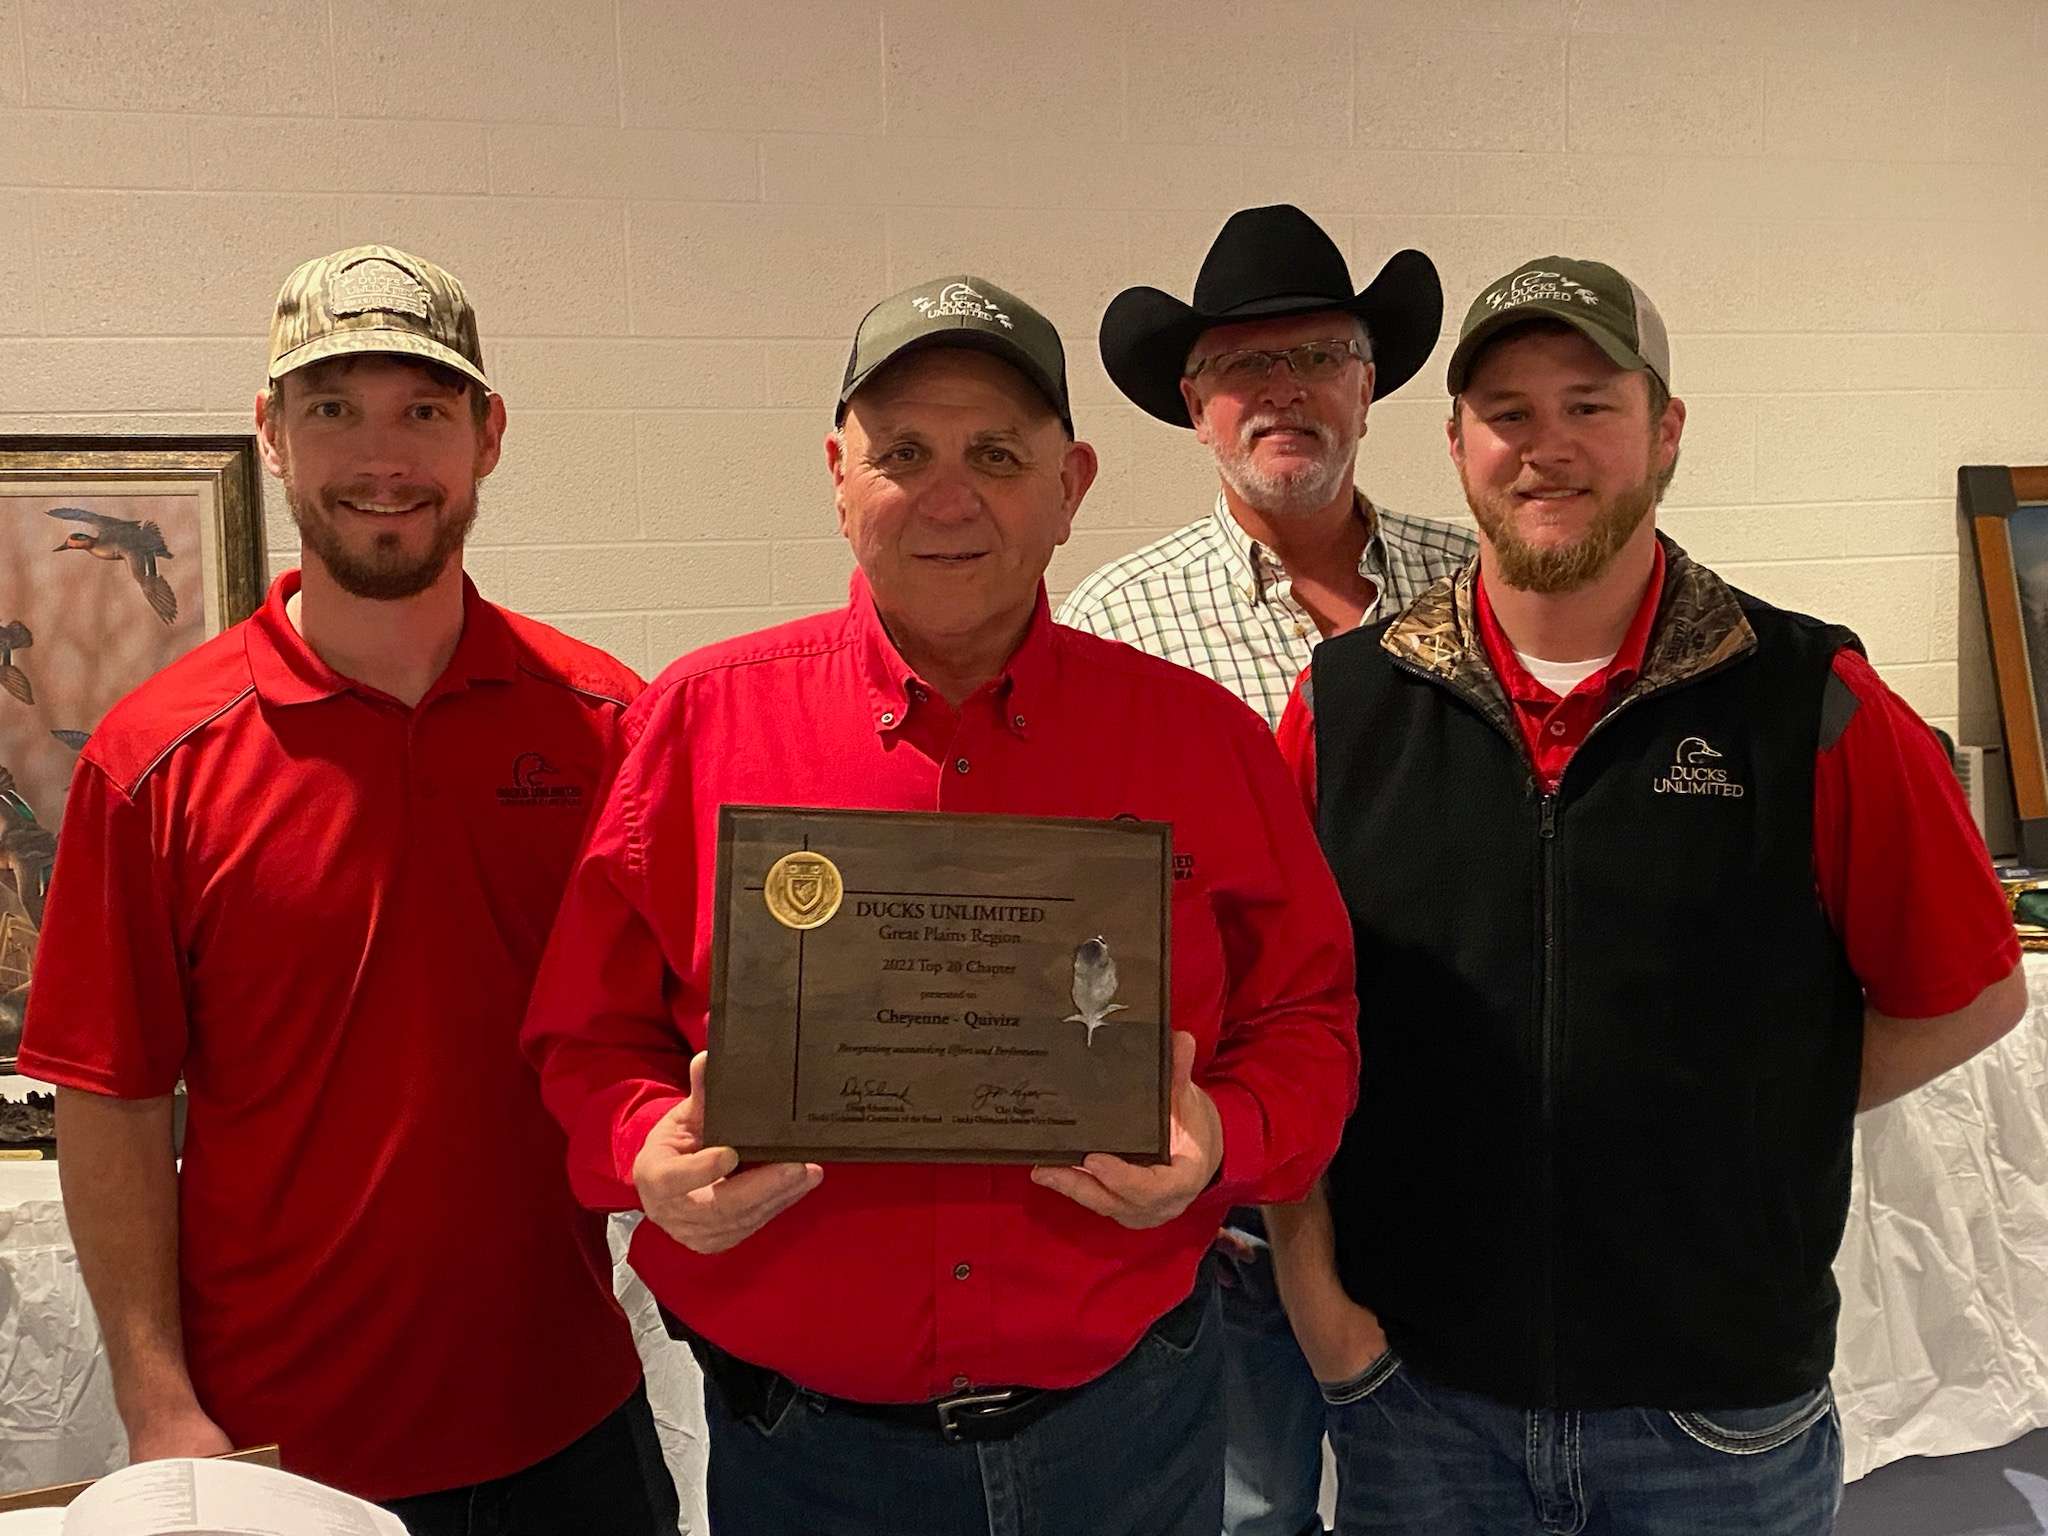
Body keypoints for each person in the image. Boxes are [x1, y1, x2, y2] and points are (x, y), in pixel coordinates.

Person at [521, 274, 1360, 1536]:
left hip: (1133, 1432)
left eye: (996, 454)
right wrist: (641, 1145)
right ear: (837, 474)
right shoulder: (699, 723)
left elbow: (1309, 1019)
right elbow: (584, 1040)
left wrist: (1223, 1134)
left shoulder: (1198, 742)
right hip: (808, 1458)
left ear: (1070, 486)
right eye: (902, 451)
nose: (949, 496)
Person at [1270, 256, 2028, 1535]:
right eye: (1506, 411)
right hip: (1420, 1406)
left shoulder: (1810, 700)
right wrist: (1323, 1317)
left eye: (1588, 404)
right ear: (1455, 443)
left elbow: (1974, 993)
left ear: (1663, 432)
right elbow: (1279, 1014)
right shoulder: (1343, 709)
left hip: (1718, 1416)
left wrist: (1742, 1103)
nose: (1544, 447)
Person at [18, 245, 678, 1533]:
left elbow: (679, 1027)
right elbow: (110, 1095)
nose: (383, 457)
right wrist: (161, 1410)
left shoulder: (609, 722)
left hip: (572, 1425)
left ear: (486, 435)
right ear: (271, 434)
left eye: (423, 410)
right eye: (334, 410)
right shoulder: (152, 760)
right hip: (280, 1452)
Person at [1062, 201, 1476, 1536]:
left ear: (1370, 384)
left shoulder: (1479, 586)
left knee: (1458, 1503)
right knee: (1246, 1516)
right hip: (1232, 1192)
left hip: (1452, 1158)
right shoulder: (1116, 625)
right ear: (1196, 404)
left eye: (1317, 357)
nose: (1283, 392)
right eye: (1247, 367)